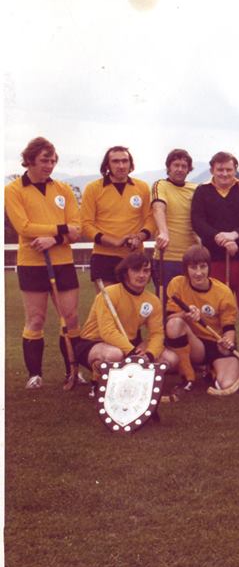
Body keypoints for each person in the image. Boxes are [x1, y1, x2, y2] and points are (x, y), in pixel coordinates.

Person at [5, 137, 82, 389]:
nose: (49, 165)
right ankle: (35, 375)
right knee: (36, 319)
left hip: (62, 262)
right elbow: (24, 227)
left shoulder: (63, 190)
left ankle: (73, 371)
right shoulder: (13, 190)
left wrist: (54, 239)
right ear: (29, 160)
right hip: (31, 263)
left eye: (52, 160)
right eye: (44, 160)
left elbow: (76, 230)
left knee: (70, 318)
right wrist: (60, 229)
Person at [74, 251, 173, 373]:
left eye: (146, 271)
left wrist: (150, 354)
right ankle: (98, 375)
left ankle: (136, 379)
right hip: (96, 342)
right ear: (126, 273)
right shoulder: (108, 294)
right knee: (115, 355)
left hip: (130, 344)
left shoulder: (153, 301)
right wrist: (131, 352)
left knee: (171, 359)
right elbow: (107, 332)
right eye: (136, 270)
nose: (142, 275)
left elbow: (157, 333)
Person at [163, 244, 239, 393]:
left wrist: (227, 341)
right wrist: (185, 315)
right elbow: (169, 319)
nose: (198, 273)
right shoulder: (177, 284)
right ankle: (188, 377)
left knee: (227, 385)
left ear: (209, 267)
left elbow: (229, 328)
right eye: (193, 267)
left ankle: (211, 369)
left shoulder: (223, 292)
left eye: (202, 267)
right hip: (194, 345)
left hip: (216, 343)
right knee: (175, 324)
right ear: (186, 268)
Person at [190, 151, 239, 315]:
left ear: (235, 169)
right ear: (212, 170)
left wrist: (234, 235)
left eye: (229, 170)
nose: (224, 174)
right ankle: (220, 340)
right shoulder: (202, 191)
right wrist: (220, 238)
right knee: (216, 308)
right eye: (220, 169)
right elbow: (198, 222)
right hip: (214, 259)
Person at [81, 145, 154, 285]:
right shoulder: (93, 189)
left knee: (133, 305)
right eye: (115, 161)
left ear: (130, 164)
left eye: (125, 161)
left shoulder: (142, 187)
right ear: (107, 165)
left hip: (134, 256)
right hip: (104, 257)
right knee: (108, 305)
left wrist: (139, 237)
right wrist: (113, 241)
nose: (121, 165)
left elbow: (150, 219)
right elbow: (86, 225)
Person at [151, 148, 198, 290]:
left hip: (192, 259)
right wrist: (163, 233)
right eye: (176, 165)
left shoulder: (196, 189)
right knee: (167, 305)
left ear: (189, 169)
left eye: (184, 166)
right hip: (166, 258)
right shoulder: (160, 185)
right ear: (168, 167)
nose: (180, 169)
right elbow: (158, 208)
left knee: (191, 306)